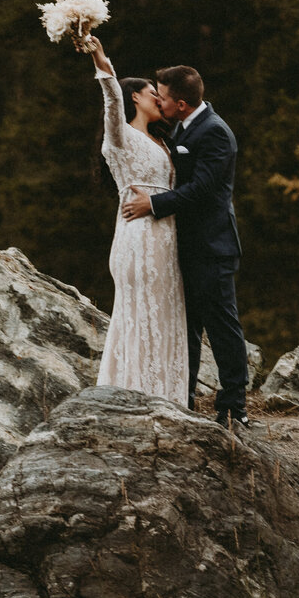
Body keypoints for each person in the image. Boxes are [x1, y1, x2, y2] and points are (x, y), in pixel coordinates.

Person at [121, 66, 251, 429]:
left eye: (161, 96)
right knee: (186, 328)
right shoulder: (180, 126)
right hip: (183, 246)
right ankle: (185, 398)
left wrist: (155, 205)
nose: (157, 100)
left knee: (222, 327)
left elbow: (204, 189)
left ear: (180, 103)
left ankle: (234, 407)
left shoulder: (215, 133)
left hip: (213, 247)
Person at [77, 34, 188, 406]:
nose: (160, 98)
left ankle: (168, 398)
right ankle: (136, 396)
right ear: (135, 98)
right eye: (152, 93)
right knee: (140, 315)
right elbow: (110, 96)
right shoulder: (119, 138)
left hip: (166, 237)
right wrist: (100, 56)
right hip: (138, 238)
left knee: (167, 314)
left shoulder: (162, 142)